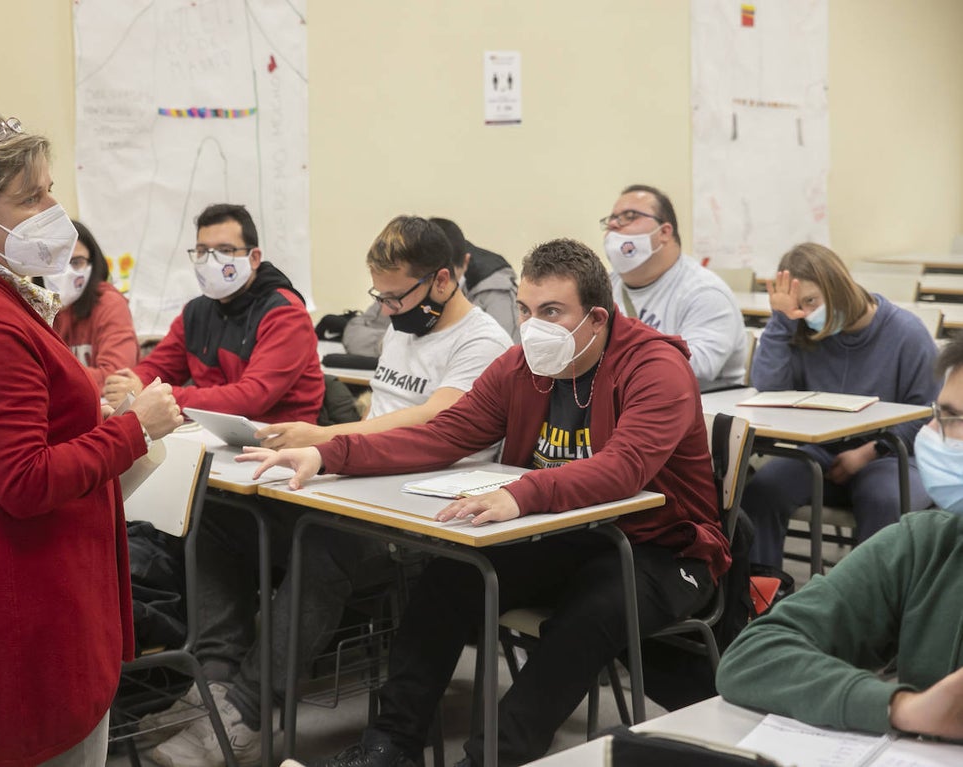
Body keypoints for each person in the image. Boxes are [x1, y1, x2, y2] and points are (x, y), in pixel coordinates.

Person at [241, 238, 731, 767]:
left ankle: (489, 759)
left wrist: (520, 494)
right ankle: (388, 746)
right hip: (565, 534)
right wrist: (330, 451)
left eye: (550, 312)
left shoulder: (655, 366)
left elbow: (624, 467)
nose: (531, 325)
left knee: (594, 610)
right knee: (449, 578)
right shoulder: (522, 365)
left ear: (596, 318)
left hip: (663, 548)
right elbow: (443, 435)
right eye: (524, 309)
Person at [149, 216, 512, 767]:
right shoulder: (407, 325)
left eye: (395, 296)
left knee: (325, 543)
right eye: (380, 296)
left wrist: (325, 436)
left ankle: (247, 709)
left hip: (430, 519)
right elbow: (384, 414)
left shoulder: (483, 341)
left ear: (442, 280)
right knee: (219, 513)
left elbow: (431, 422)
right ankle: (214, 684)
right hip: (364, 488)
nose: (386, 309)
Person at [0, 117, 183, 766]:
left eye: (50, 190)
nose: (57, 213)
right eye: (32, 198)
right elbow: (24, 481)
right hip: (19, 613)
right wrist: (134, 430)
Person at [717, 337, 963, 738]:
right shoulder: (927, 545)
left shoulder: (899, 334)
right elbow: (753, 655)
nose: (932, 432)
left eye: (953, 419)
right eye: (940, 413)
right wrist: (900, 707)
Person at [741, 243, 937, 568]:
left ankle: (866, 608)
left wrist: (869, 452)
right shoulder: (802, 329)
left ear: (837, 287)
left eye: (811, 302)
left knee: (884, 499)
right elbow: (770, 390)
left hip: (892, 455)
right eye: (797, 305)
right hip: (822, 451)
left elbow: (929, 415)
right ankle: (760, 599)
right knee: (761, 491)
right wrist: (780, 321)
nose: (806, 313)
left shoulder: (906, 333)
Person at [103, 203, 323, 424]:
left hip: (280, 441)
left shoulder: (286, 314)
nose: (210, 261)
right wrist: (129, 386)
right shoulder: (196, 311)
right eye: (202, 251)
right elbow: (158, 367)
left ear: (254, 258)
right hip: (216, 433)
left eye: (224, 251)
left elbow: (252, 397)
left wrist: (153, 395)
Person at [602, 184, 748, 391]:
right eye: (612, 219)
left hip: (695, 408)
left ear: (664, 232)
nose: (614, 225)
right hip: (624, 401)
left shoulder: (705, 292)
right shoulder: (606, 286)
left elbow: (698, 367)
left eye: (629, 216)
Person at [342, 217, 519, 355]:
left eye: (450, 277)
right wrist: (395, 346)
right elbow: (355, 332)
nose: (443, 288)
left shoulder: (495, 293)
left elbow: (501, 360)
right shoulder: (400, 288)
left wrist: (427, 348)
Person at [38, 219, 139, 390]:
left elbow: (116, 379)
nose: (66, 272)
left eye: (76, 262)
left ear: (92, 264)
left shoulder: (109, 304)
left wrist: (51, 377)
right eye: (57, 262)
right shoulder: (33, 308)